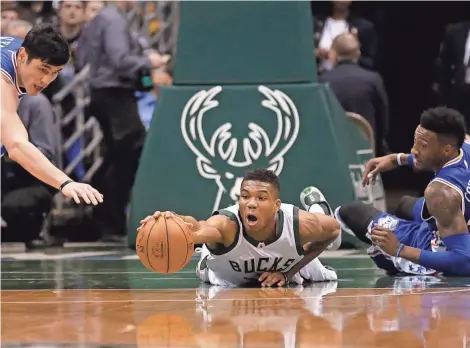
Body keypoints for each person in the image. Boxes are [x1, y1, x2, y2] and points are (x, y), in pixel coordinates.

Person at [140, 168, 340, 287]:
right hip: (225, 279)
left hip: (286, 260)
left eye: (261, 198)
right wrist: (171, 219)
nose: (251, 204)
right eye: (245, 197)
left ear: (276, 205)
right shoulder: (227, 226)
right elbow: (195, 228)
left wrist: (287, 273)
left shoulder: (298, 224)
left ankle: (318, 208)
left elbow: (334, 231)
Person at [335, 107, 470, 276]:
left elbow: (464, 262)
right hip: (453, 219)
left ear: (447, 150)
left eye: (423, 146)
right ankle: (403, 228)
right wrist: (397, 159)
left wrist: (400, 249)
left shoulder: (441, 193)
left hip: (441, 251)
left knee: (351, 211)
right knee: (404, 203)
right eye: (415, 143)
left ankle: (396, 253)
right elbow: (432, 157)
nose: (414, 150)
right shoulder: (464, 145)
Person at [1, 23, 103, 205]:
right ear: (23, 56)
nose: (46, 80)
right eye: (43, 69)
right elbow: (16, 146)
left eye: (55, 73)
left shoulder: (23, 50)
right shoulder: (3, 82)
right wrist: (65, 183)